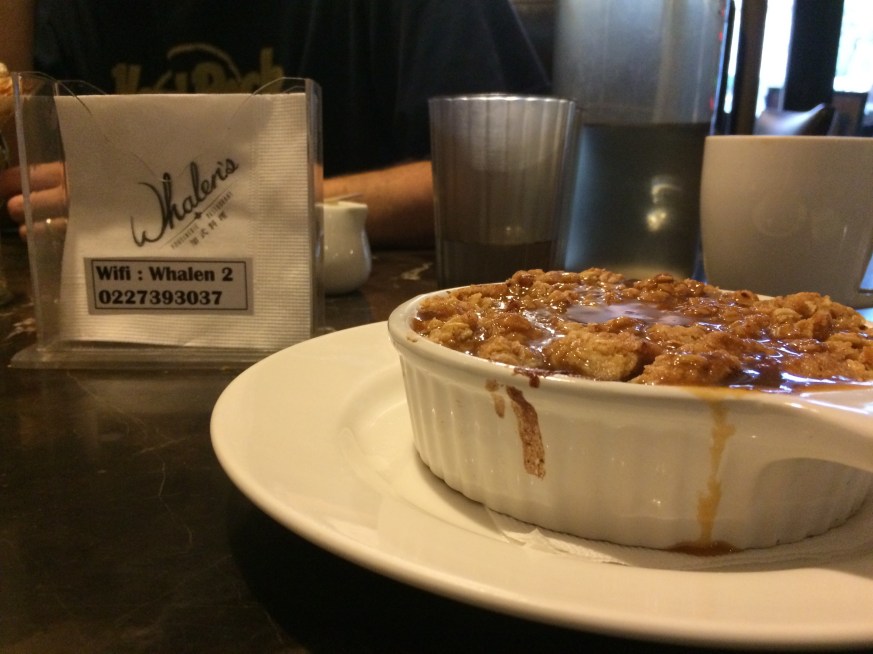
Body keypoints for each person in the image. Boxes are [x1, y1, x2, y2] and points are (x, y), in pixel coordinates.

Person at [0, 0, 549, 247]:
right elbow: (29, 192)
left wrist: (235, 200)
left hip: (364, 342)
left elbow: (507, 187)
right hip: (121, 335)